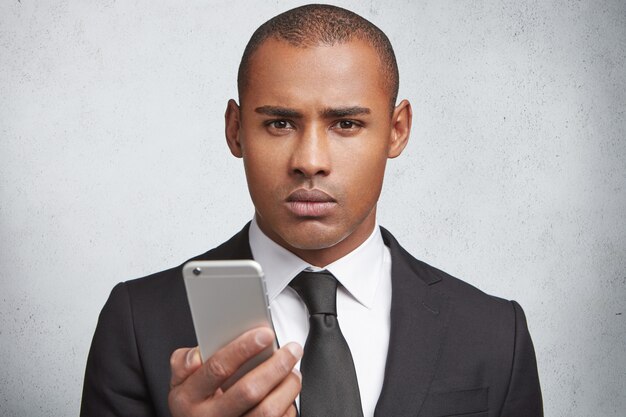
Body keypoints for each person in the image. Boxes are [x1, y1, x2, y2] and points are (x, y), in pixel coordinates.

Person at [81, 4, 543, 417]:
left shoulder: (496, 333)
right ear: (236, 130)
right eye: (279, 123)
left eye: (346, 123)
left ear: (397, 130)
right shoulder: (139, 322)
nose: (310, 160)